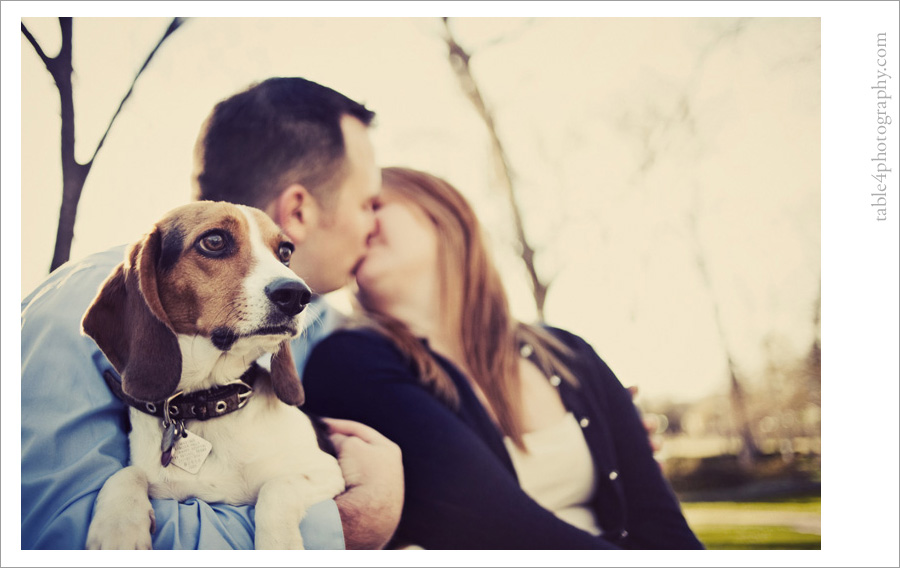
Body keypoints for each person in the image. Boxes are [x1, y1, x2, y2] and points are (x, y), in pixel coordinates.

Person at [21, 77, 402, 550]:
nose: (375, 226)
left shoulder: (299, 324)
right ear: (299, 208)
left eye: (281, 254)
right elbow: (55, 535)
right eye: (368, 204)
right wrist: (348, 524)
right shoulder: (78, 301)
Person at [301, 167, 705, 550]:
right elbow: (507, 534)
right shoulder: (350, 364)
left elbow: (660, 520)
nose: (361, 224)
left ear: (443, 212)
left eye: (374, 205)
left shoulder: (569, 353)